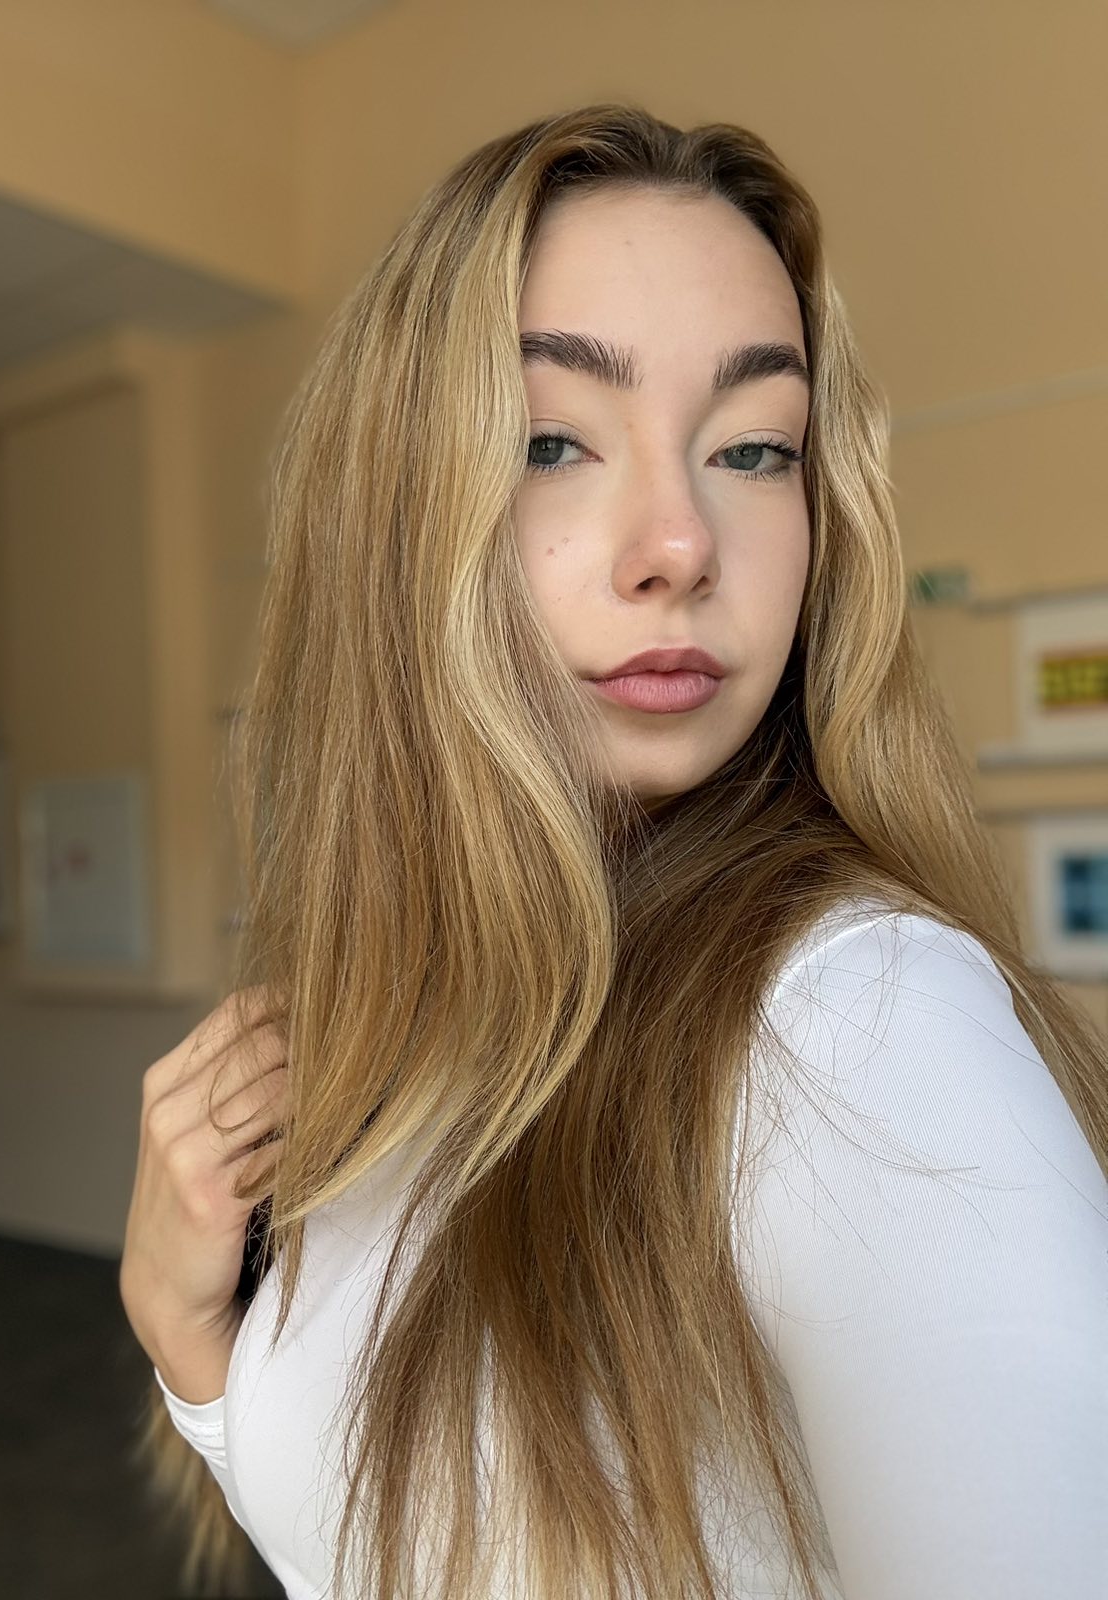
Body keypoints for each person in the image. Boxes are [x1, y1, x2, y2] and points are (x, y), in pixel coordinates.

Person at [119, 103, 1108, 1600]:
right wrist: (193, 1344)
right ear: (395, 512)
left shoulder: (856, 1023)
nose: (683, 543)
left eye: (755, 448)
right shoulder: (421, 1024)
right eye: (552, 441)